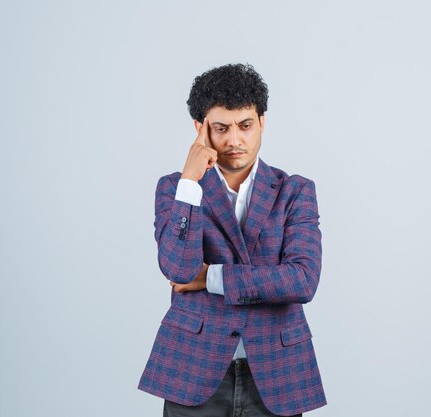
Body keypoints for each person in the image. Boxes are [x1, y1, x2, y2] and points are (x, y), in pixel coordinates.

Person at [138, 63, 327, 417]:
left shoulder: (295, 190)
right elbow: (179, 269)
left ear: (262, 123)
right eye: (221, 128)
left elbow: (302, 280)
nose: (235, 140)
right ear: (200, 129)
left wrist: (212, 277)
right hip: (194, 369)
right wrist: (191, 180)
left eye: (245, 126)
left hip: (276, 369)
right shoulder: (175, 189)